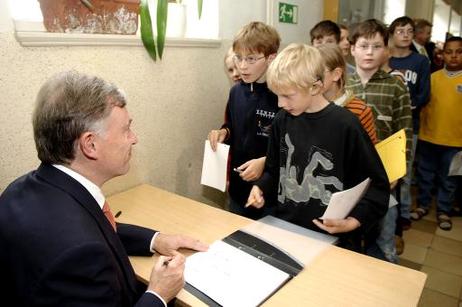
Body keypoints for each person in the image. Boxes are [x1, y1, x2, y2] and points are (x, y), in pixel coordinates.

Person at [0, 71, 208, 306]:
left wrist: (155, 239)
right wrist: (158, 294)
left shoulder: (19, 190)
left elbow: (95, 227)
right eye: (126, 129)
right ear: (90, 144)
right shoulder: (80, 256)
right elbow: (84, 243)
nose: (134, 138)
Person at [246, 43, 389, 253]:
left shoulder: (346, 126)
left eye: (287, 95)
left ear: (314, 87)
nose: (279, 103)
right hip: (286, 230)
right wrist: (261, 187)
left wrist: (354, 221)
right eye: (277, 95)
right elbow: (274, 168)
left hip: (333, 240)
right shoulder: (282, 120)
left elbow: (377, 186)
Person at [346, 19, 413, 263]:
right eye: (363, 46)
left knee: (384, 239)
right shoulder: (343, 84)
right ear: (352, 48)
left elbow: (405, 132)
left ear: (386, 50)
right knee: (352, 235)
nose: (369, 52)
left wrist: (397, 173)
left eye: (376, 46)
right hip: (352, 175)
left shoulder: (396, 86)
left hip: (387, 176)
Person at [207, 21, 280, 219]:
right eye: (238, 58)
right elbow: (232, 125)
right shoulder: (236, 92)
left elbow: (292, 146)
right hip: (238, 190)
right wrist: (224, 133)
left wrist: (265, 163)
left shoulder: (282, 96)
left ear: (271, 58)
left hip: (270, 194)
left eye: (251, 59)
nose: (242, 66)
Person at [414, 36, 462, 230]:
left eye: (458, 52)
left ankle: (444, 210)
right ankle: (423, 205)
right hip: (429, 137)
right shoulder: (432, 78)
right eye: (449, 52)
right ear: (442, 55)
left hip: (456, 142)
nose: (453, 56)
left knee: (449, 179)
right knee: (425, 175)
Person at [388, 16, 431, 230]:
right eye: (400, 30)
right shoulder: (385, 60)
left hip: (409, 124)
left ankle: (403, 213)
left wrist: (407, 106)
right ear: (392, 33)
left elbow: (424, 94)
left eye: (409, 31)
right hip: (386, 124)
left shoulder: (420, 61)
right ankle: (388, 212)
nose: (405, 35)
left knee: (404, 172)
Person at [317, 44, 377, 144]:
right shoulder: (308, 105)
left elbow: (369, 153)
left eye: (318, 73)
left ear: (336, 74)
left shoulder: (360, 111)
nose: (310, 78)